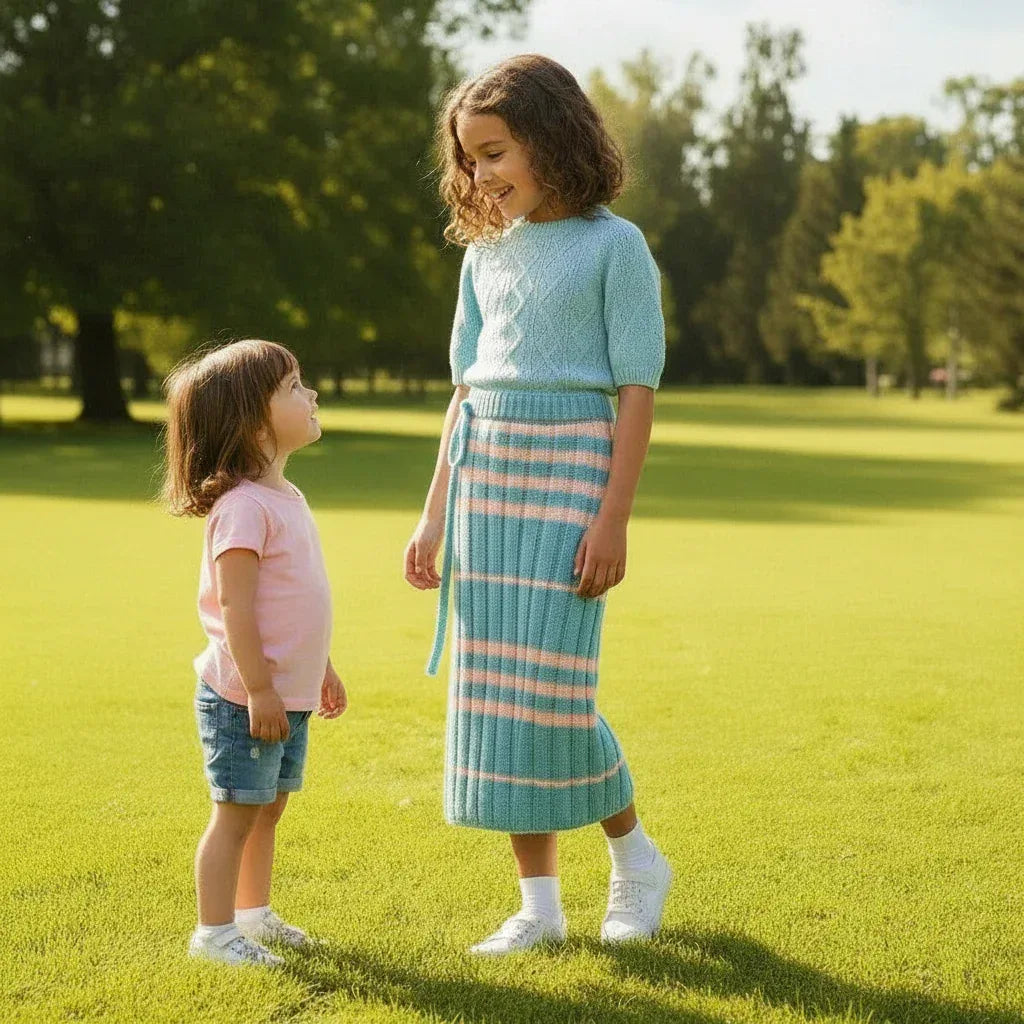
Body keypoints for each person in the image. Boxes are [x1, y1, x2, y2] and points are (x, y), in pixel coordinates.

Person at [404, 55, 671, 956]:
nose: (480, 175)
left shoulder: (615, 245)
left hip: (571, 472)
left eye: (495, 152)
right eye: (470, 159)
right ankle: (540, 907)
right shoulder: (484, 254)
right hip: (486, 478)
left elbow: (636, 389)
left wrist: (614, 516)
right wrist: (434, 514)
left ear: (552, 138)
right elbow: (465, 391)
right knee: (498, 693)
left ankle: (636, 860)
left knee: (554, 691)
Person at [163, 339, 348, 966]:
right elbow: (237, 608)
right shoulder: (241, 508)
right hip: (245, 696)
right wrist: (263, 690)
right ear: (251, 420)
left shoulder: (286, 498)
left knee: (269, 807)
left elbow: (294, 602)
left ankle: (254, 915)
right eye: (294, 387)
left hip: (283, 692)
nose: (312, 394)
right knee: (237, 812)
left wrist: (319, 667)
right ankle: (214, 935)